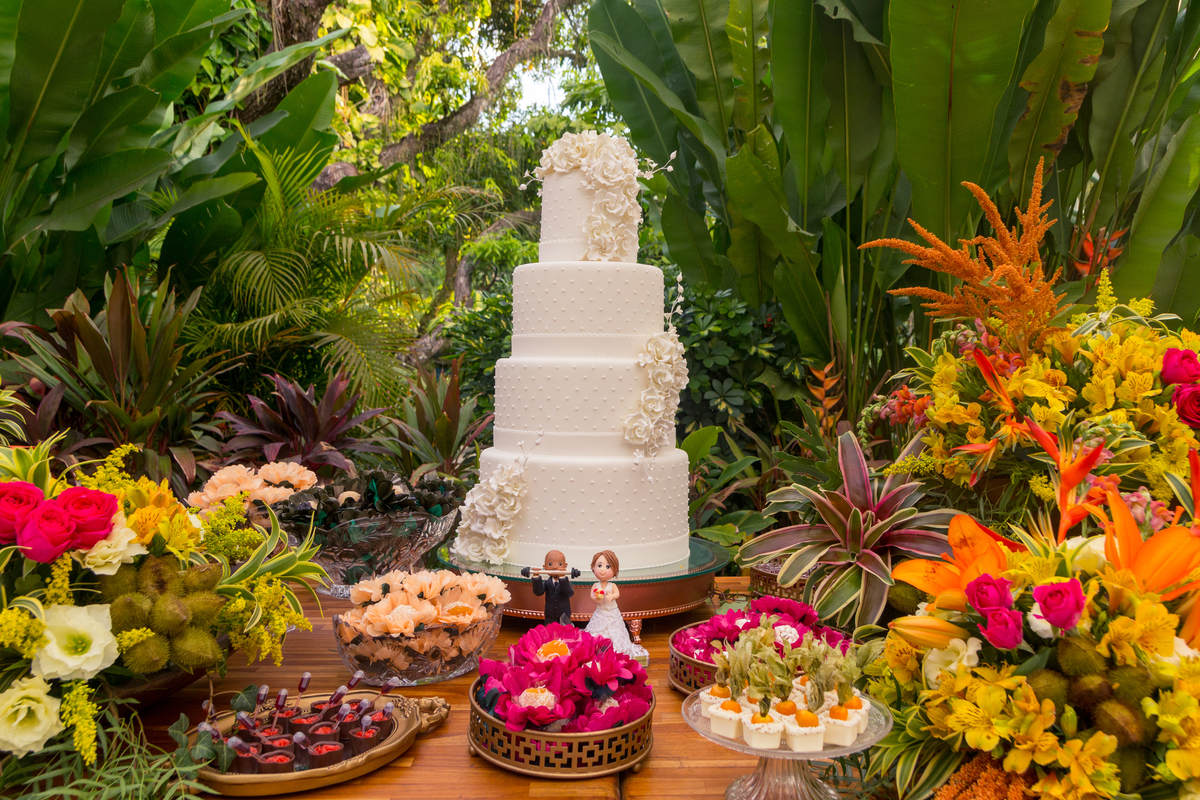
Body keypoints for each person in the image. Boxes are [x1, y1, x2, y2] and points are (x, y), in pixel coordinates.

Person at [583, 550, 648, 661]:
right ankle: (599, 651)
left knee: (615, 629)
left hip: (612, 611)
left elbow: (617, 594)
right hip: (600, 612)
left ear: (614, 570)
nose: (603, 569)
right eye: (599, 566)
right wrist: (597, 597)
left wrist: (612, 596)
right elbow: (592, 596)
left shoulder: (612, 585)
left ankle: (616, 651)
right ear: (593, 567)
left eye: (608, 566)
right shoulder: (595, 585)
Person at [520, 550, 579, 625]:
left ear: (565, 566)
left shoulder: (566, 582)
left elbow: (569, 593)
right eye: (550, 564)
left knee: (565, 630)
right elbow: (538, 592)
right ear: (544, 567)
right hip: (550, 615)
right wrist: (536, 577)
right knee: (549, 631)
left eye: (559, 564)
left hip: (564, 614)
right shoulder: (547, 583)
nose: (555, 567)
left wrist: (562, 578)